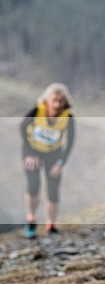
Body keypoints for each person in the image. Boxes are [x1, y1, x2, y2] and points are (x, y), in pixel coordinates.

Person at [20, 83, 76, 238]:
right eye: (54, 100)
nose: (57, 105)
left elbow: (70, 141)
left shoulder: (68, 117)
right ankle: (31, 220)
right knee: (33, 186)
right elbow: (22, 128)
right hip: (32, 151)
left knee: (53, 190)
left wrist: (61, 163)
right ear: (47, 100)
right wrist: (29, 153)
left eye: (61, 101)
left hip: (54, 154)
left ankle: (51, 224)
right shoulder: (36, 111)